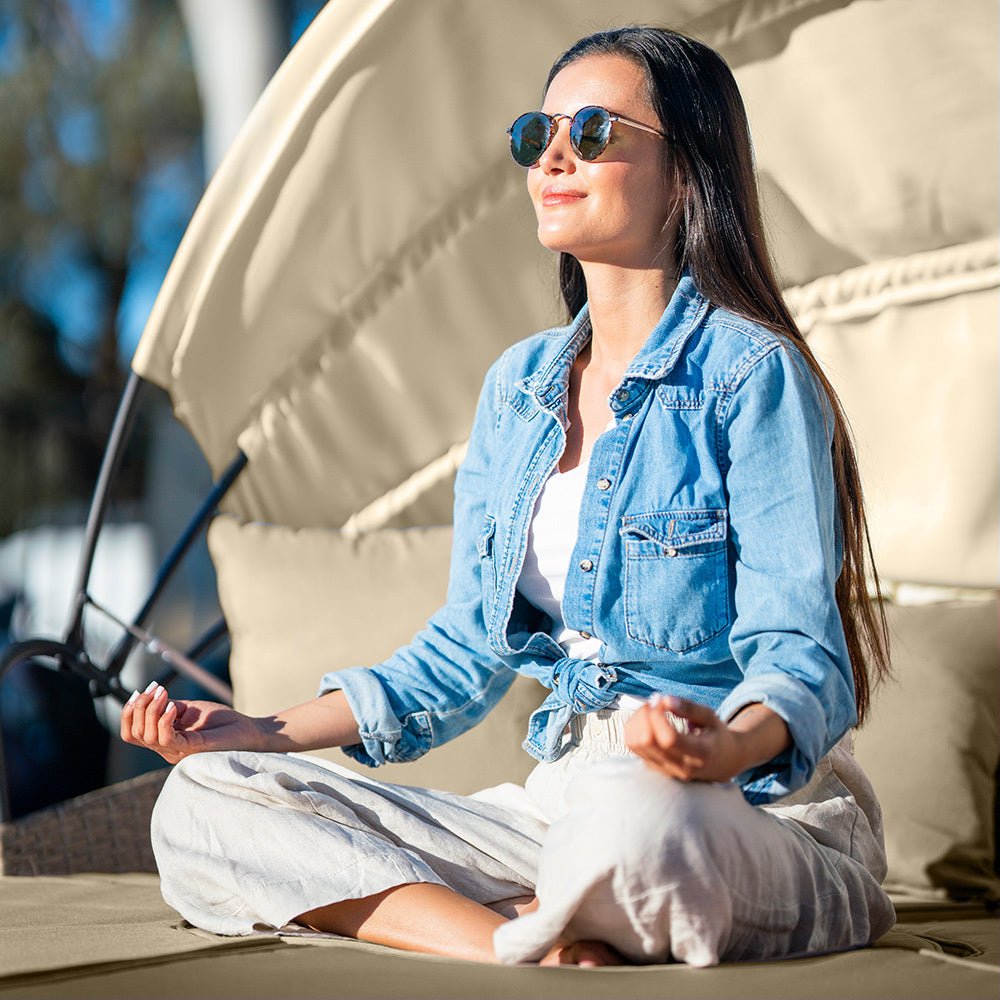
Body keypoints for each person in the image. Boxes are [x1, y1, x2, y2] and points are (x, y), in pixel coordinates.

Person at [123, 26, 896, 968]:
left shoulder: (754, 376)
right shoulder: (518, 389)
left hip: (736, 812)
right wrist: (262, 731)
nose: (555, 156)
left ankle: (574, 901)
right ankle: (519, 943)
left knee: (635, 826)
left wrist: (718, 753)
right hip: (563, 803)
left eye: (595, 131)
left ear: (687, 172)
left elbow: (801, 658)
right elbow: (463, 651)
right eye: (538, 134)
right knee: (207, 802)